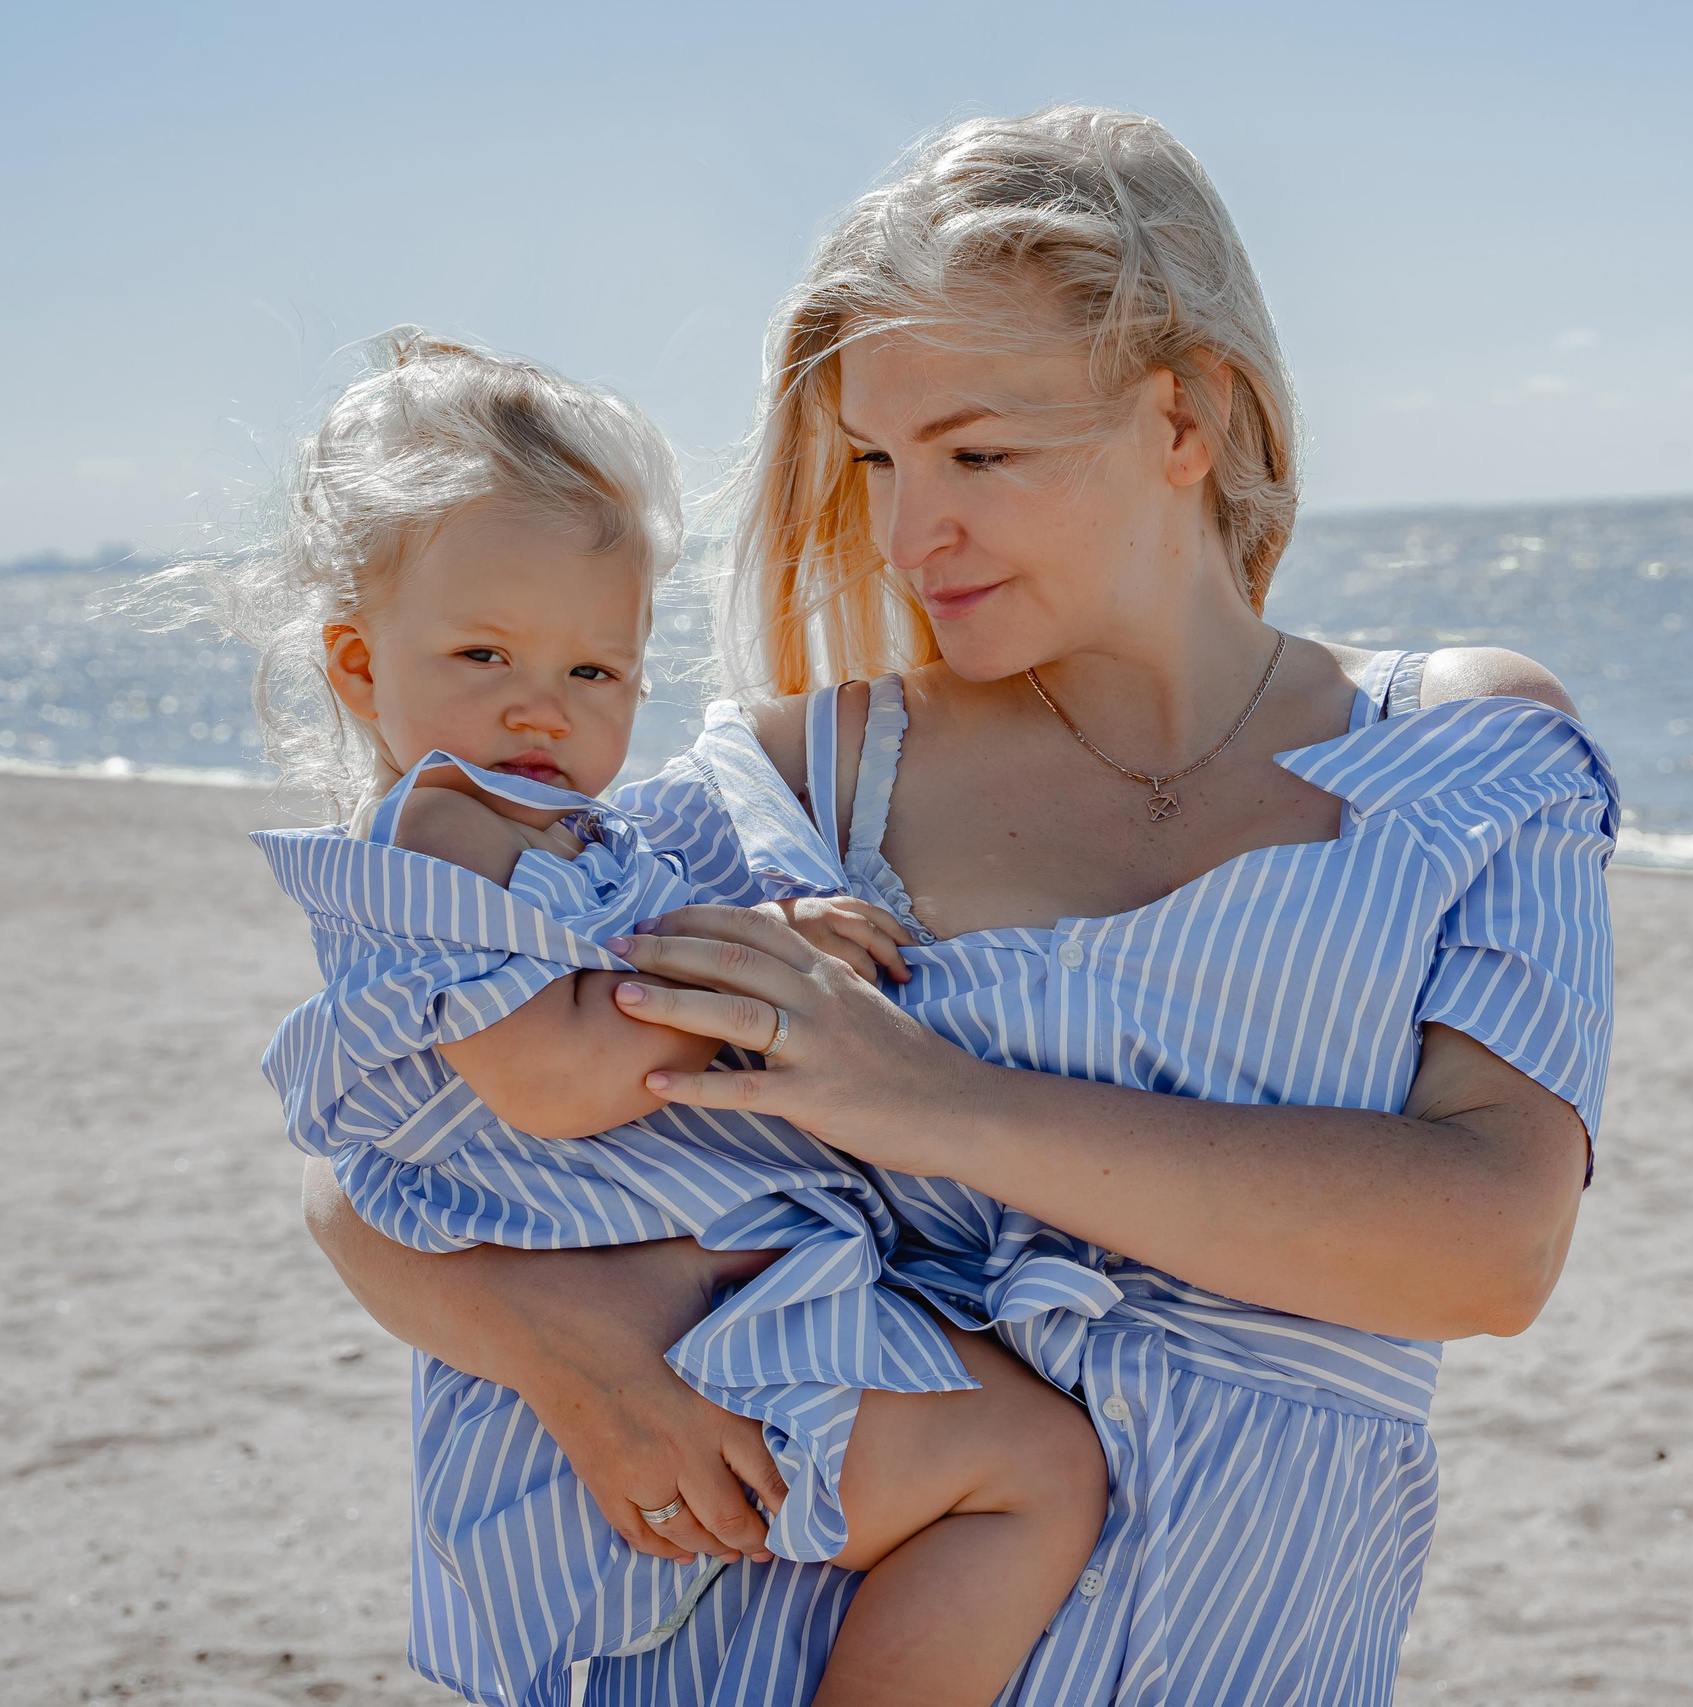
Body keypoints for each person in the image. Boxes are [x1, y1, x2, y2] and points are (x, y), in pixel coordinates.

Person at [306, 107, 1618, 1705]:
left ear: (1187, 413)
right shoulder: (798, 788)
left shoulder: (1461, 751)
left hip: (1251, 1633)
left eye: (979, 452)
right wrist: (565, 1357)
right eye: (876, 459)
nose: (911, 532)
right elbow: (390, 1148)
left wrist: (938, 1103)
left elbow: (1491, 1250)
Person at [220, 333, 1105, 1707]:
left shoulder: (574, 835)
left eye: (595, 674)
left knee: (1017, 1469)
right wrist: (766, 974)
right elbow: (556, 1075)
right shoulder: (441, 830)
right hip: (693, 1343)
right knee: (1034, 1477)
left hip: (713, 1311)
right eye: (483, 652)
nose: (540, 703)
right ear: (356, 662)